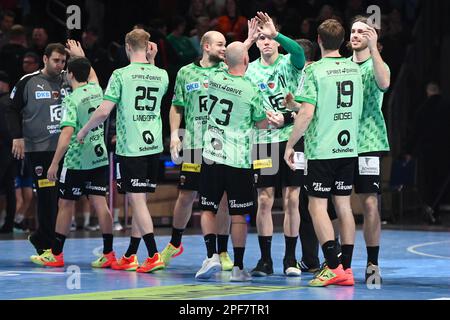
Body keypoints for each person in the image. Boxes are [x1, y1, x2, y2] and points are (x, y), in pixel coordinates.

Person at [77, 29, 169, 273]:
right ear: (148, 47)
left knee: (137, 201)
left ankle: (153, 254)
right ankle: (130, 255)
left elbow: (104, 111)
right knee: (141, 202)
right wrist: (153, 60)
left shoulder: (120, 74)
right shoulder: (161, 74)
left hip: (132, 147)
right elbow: (150, 78)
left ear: (128, 47)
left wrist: (84, 129)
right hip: (154, 146)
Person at [284, 19, 363, 287]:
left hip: (322, 150)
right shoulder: (354, 68)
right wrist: (297, 104)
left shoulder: (315, 70)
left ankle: (332, 266)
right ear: (343, 41)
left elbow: (307, 114)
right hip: (348, 147)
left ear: (318, 40)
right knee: (343, 205)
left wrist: (289, 144)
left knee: (316, 205)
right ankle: (347, 268)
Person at [30, 57, 116, 268]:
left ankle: (56, 254)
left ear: (70, 75)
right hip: (99, 157)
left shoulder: (72, 99)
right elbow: (92, 75)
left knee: (65, 204)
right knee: (100, 203)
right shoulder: (98, 91)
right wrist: (81, 56)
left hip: (77, 160)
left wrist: (54, 163)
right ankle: (109, 253)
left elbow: (67, 134)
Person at [7, 42, 90, 254]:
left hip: (65, 148)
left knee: (62, 197)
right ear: (45, 59)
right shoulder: (29, 81)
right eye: (56, 60)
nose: (60, 65)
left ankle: (45, 238)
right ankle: (46, 242)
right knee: (47, 195)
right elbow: (11, 110)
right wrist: (17, 137)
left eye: (63, 61)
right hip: (39, 149)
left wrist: (80, 58)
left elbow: (91, 83)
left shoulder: (68, 79)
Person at [195, 41, 267, 281]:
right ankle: (237, 267)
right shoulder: (251, 89)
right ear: (246, 61)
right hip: (239, 160)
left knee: (208, 208)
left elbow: (225, 61)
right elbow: (261, 122)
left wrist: (243, 45)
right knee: (238, 215)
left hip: (213, 156)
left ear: (227, 61)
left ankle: (211, 256)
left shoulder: (214, 77)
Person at [162, 31, 233, 271]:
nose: (224, 48)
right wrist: (174, 135)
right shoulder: (185, 72)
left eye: (225, 45)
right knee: (186, 196)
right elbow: (177, 107)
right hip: (193, 144)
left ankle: (221, 251)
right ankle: (174, 243)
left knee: (221, 200)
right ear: (206, 46)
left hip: (221, 146)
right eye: (220, 44)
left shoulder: (228, 70)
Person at [244, 12, 306, 277]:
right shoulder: (249, 69)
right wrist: (247, 41)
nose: (266, 42)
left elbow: (300, 53)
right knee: (265, 200)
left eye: (270, 38)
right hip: (263, 141)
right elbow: (226, 70)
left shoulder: (289, 63)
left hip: (293, 138)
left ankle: (290, 259)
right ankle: (265, 260)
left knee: (293, 199)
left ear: (277, 41)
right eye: (262, 38)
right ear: (257, 43)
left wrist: (275, 32)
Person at [349, 16, 391, 284]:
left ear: (372, 37)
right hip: (340, 143)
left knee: (370, 202)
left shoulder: (378, 64)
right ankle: (339, 263)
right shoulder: (341, 67)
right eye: (353, 31)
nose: (355, 35)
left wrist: (374, 49)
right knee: (339, 203)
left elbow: (384, 83)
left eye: (362, 32)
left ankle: (372, 263)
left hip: (368, 142)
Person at [406, 82, 450, 225]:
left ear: (428, 92)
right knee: (442, 181)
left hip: (427, 151)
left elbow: (415, 132)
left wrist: (408, 151)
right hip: (445, 150)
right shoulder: (446, 106)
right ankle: (436, 209)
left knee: (429, 182)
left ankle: (432, 210)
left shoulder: (422, 108)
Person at [0, 70, 16, 234]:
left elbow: (5, 128)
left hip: (5, 148)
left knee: (9, 186)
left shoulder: (4, 101)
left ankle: (9, 222)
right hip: (12, 149)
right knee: (10, 186)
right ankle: (9, 222)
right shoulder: (10, 99)